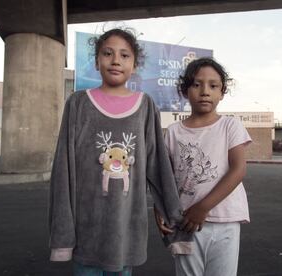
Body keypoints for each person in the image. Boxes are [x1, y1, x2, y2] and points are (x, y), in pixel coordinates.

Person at [49, 28, 192, 276]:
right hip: (86, 231)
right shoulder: (78, 103)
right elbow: (63, 170)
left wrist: (173, 218)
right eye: (107, 53)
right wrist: (62, 233)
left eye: (125, 55)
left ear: (135, 65)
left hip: (126, 233)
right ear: (96, 61)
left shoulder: (145, 105)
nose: (116, 60)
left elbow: (158, 166)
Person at [156, 57, 252, 276]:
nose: (205, 91)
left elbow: (238, 170)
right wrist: (159, 207)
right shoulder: (173, 131)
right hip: (186, 224)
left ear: (222, 91)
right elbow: (166, 178)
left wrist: (203, 207)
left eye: (213, 85)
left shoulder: (230, 125)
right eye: (197, 84)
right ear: (185, 90)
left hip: (225, 221)